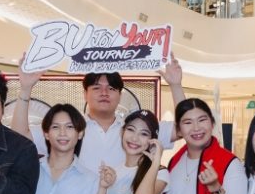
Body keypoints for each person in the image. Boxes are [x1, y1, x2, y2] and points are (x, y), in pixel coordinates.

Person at [13, 62, 179, 171]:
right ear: (85, 94)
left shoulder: (136, 131)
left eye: (111, 88)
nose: (104, 93)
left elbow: (183, 127)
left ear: (120, 96)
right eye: (96, 88)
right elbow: (19, 137)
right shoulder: (69, 129)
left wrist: (176, 85)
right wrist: (25, 89)